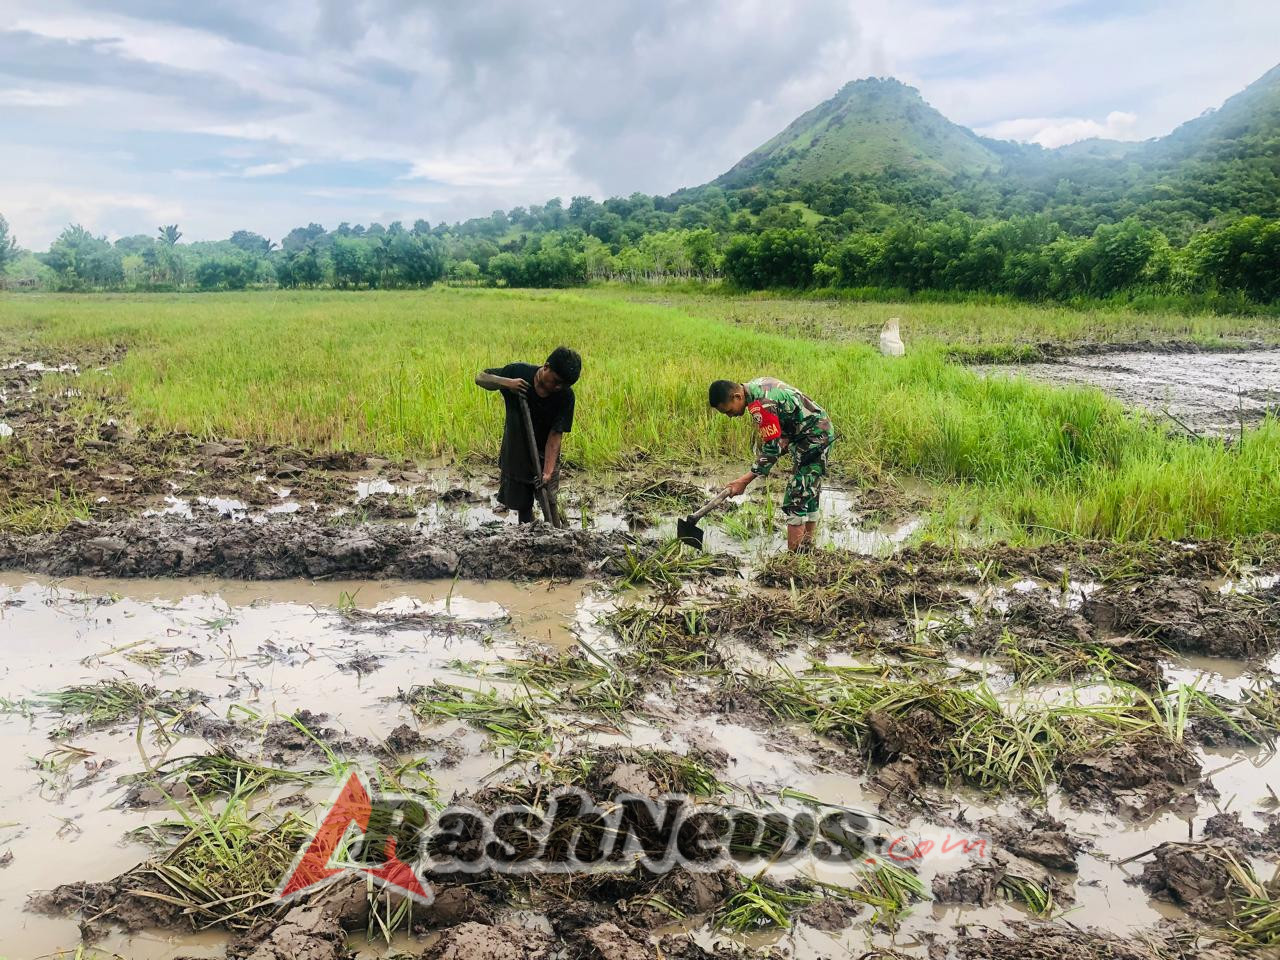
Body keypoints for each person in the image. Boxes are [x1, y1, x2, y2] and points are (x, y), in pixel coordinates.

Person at [708, 377, 835, 552]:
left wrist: (744, 480)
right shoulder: (757, 386)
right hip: (815, 431)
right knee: (808, 492)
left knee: (796, 499)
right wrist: (780, 442)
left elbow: (771, 450)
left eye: (728, 411)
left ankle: (794, 560)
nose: (730, 416)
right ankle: (808, 548)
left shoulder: (760, 405)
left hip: (814, 437)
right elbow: (784, 420)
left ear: (737, 397)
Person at [475, 346, 581, 523]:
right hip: (516, 451)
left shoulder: (565, 396)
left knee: (549, 499)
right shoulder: (518, 372)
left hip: (545, 455)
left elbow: (555, 436)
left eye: (563, 385)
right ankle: (527, 540)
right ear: (546, 367)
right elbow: (480, 378)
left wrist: (547, 472)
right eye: (556, 381)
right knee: (523, 504)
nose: (557, 387)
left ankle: (557, 535)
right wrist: (506, 383)